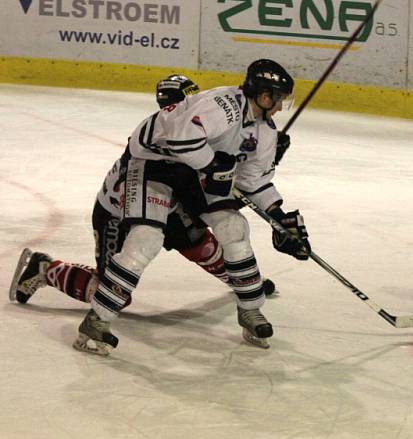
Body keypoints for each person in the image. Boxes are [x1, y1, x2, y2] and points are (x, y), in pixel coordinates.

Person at [11, 62, 310, 355]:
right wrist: (214, 166)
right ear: (264, 95)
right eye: (279, 99)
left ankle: (250, 307)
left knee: (231, 229)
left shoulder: (263, 130)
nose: (282, 107)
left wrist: (279, 217)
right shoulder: (222, 106)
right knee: (143, 243)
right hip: (140, 186)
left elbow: (252, 181)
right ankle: (76, 298)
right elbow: (185, 145)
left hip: (183, 182)